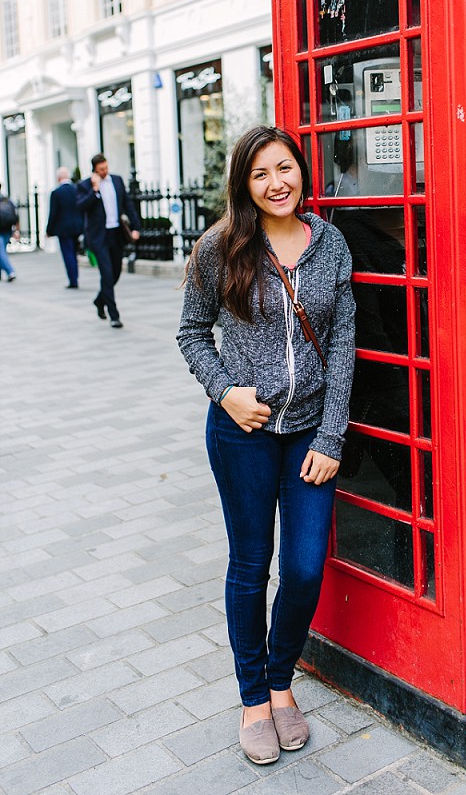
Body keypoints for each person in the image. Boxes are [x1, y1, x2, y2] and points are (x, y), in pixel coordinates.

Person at [177, 126, 355, 766]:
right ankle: (256, 698)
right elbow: (192, 334)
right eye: (261, 173)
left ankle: (284, 680)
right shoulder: (219, 249)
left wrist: (331, 435)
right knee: (251, 565)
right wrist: (226, 392)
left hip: (310, 432)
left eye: (286, 168)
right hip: (242, 433)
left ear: (302, 172)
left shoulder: (330, 244)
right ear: (243, 184)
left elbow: (341, 346)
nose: (277, 182)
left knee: (305, 567)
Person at [76, 154, 140, 328]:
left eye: (106, 168)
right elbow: (80, 206)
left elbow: (128, 205)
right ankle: (114, 315)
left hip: (116, 234)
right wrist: (94, 190)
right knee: (106, 273)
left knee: (116, 272)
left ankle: (99, 300)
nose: (104, 172)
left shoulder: (117, 181)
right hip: (98, 237)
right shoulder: (85, 185)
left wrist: (136, 227)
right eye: (100, 170)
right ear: (94, 170)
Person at [46, 167, 84, 289]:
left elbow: (53, 213)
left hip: (64, 229)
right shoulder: (76, 190)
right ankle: (75, 276)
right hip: (77, 227)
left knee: (68, 254)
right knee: (74, 252)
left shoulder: (56, 193)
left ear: (58, 178)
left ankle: (73, 280)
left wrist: (49, 230)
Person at [0, 183, 19, 281]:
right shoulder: (7, 200)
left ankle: (10, 271)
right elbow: (16, 215)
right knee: (1, 251)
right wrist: (16, 230)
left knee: (1, 252)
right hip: (7, 229)